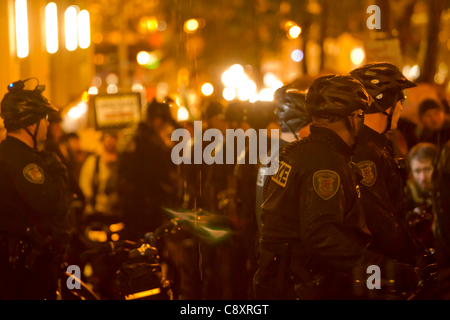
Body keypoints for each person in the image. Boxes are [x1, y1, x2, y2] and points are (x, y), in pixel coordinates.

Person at [254, 74, 418, 300]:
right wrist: (380, 268)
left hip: (283, 279)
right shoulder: (325, 162)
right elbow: (320, 233)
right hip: (305, 284)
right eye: (360, 115)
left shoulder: (300, 152)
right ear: (351, 118)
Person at [0, 78, 71, 300]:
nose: (48, 124)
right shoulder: (23, 161)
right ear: (31, 125)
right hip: (25, 273)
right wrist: (59, 172)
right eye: (44, 118)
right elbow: (50, 202)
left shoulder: (7, 153)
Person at [350, 62, 423, 265]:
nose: (401, 106)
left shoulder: (374, 145)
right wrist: (409, 257)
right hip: (379, 269)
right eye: (400, 99)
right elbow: (380, 221)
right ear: (384, 103)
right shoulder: (366, 153)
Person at [117, 98, 180, 241]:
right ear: (158, 121)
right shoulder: (152, 144)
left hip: (129, 206)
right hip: (148, 208)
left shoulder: (130, 138)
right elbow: (160, 177)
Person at [255, 83, 311, 235]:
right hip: (287, 248)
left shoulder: (273, 153)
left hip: (271, 244)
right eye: (311, 122)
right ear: (297, 123)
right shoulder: (293, 156)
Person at [404, 142, 439, 250]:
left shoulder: (444, 191)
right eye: (417, 171)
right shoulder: (405, 195)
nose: (422, 177)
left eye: (427, 169)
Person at [79, 132, 119, 219]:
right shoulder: (93, 161)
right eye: (107, 137)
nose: (110, 141)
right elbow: (84, 183)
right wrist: (90, 202)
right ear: (102, 140)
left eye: (113, 137)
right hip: (98, 210)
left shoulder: (122, 160)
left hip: (118, 210)